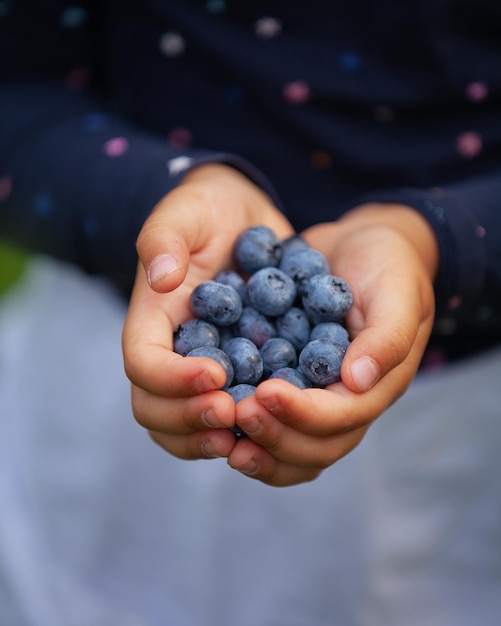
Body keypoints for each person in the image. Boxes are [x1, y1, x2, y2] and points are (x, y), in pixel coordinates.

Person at [0, 2, 500, 622]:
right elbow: (16, 92)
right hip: (118, 374)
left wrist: (441, 243)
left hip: (448, 437)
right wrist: (157, 190)